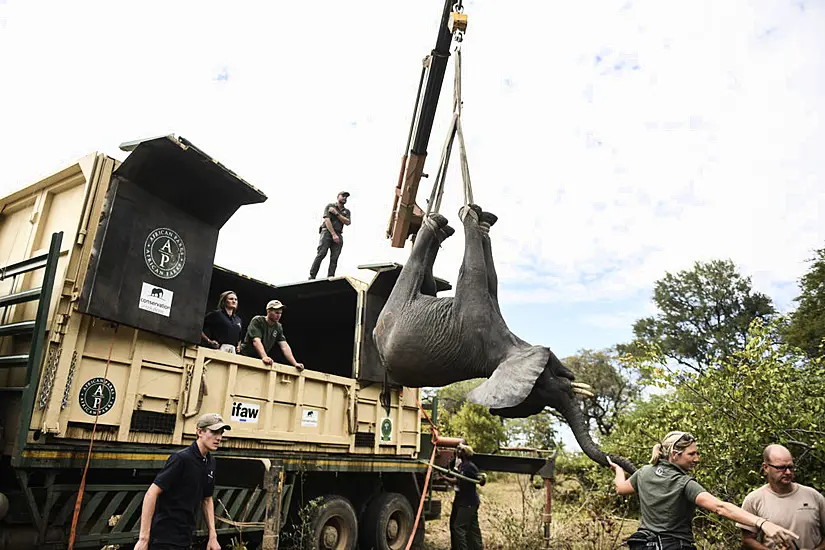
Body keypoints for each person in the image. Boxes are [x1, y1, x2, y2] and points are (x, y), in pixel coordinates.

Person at [607, 431, 799, 550]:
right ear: (675, 454)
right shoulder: (684, 483)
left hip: (644, 546)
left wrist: (618, 470)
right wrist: (762, 523)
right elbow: (720, 507)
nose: (697, 459)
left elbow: (620, 488)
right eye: (692, 454)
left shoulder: (644, 472)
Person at [135, 413, 230, 550]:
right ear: (199, 432)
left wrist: (212, 536)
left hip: (186, 536)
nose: (219, 438)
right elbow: (151, 493)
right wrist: (143, 538)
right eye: (214, 432)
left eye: (221, 433)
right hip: (165, 537)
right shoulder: (181, 459)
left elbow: (207, 499)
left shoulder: (210, 462)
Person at [739, 444, 825, 550]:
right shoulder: (754, 500)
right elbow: (748, 540)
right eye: (781, 468)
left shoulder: (814, 496)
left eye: (790, 467)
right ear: (766, 467)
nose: (788, 472)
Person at [239, 300, 304, 369]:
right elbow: (256, 340)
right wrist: (264, 357)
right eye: (276, 312)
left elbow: (284, 346)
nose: (278, 315)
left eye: (280, 313)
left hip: (258, 359)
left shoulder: (278, 327)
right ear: (268, 311)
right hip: (245, 355)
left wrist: (295, 363)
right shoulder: (258, 320)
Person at [309, 191, 351, 279]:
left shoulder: (346, 211)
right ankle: (312, 276)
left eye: (346, 197)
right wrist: (333, 234)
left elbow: (347, 222)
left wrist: (336, 214)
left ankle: (330, 276)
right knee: (321, 253)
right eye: (343, 196)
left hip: (339, 233)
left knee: (334, 258)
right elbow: (327, 220)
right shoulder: (330, 206)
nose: (344, 198)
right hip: (327, 232)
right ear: (338, 197)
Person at [449, 444, 484, 550]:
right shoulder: (462, 465)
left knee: (458, 527)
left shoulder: (469, 467)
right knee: (473, 529)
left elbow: (459, 481)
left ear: (465, 453)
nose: (457, 451)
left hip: (468, 502)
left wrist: (443, 478)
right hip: (469, 502)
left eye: (460, 450)